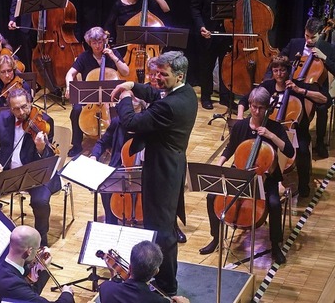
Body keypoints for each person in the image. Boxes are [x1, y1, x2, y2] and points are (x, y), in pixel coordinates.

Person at [111, 51, 197, 295]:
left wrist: (126, 97)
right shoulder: (186, 91)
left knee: (162, 231)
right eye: (156, 73)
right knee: (162, 227)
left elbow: (131, 123)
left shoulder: (170, 106)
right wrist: (133, 84)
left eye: (163, 74)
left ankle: (167, 286)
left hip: (163, 172)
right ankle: (163, 279)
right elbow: (155, 92)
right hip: (170, 165)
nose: (157, 78)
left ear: (178, 75)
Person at [90, 62, 187, 243]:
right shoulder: (118, 123)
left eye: (135, 104)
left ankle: (172, 225)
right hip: (122, 168)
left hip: (147, 168)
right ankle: (111, 225)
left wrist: (127, 96)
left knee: (165, 199)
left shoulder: (150, 119)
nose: (132, 106)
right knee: (106, 187)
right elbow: (103, 142)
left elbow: (134, 122)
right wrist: (94, 155)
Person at [200, 87, 296, 264]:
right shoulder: (241, 126)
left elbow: (289, 152)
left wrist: (271, 136)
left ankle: (275, 245)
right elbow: (230, 147)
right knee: (212, 196)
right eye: (253, 106)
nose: (256, 111)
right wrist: (219, 163)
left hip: (266, 178)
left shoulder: (274, 128)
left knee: (274, 204)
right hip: (239, 173)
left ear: (267, 108)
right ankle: (216, 238)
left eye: (260, 107)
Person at [0, 88, 59, 246]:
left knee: (40, 201)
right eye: (16, 109)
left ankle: (41, 240)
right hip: (9, 172)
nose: (21, 112)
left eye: (24, 107)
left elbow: (49, 158)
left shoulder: (45, 121)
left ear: (30, 102)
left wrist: (41, 148)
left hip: (36, 172)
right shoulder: (3, 118)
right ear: (10, 108)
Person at [237, 57, 328, 198]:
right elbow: (244, 100)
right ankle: (262, 183)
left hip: (295, 131)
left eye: (282, 70)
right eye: (275, 70)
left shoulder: (296, 86)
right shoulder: (267, 86)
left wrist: (301, 91)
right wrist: (239, 117)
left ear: (288, 70)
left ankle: (303, 185)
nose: (279, 74)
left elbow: (325, 99)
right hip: (270, 129)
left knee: (302, 150)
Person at [191, 0, 260, 110]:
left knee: (228, 65)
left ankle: (226, 97)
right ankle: (206, 97)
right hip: (209, 30)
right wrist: (201, 26)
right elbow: (194, 8)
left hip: (231, 29)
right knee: (206, 65)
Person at [274, 17, 335, 158]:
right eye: (306, 36)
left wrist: (324, 58)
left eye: (312, 37)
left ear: (320, 34)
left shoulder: (328, 48)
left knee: (321, 107)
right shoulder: (295, 43)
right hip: (293, 82)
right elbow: (280, 58)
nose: (308, 40)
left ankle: (319, 142)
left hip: (316, 86)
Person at [64, 26, 129, 157]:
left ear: (104, 41)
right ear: (89, 43)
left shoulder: (112, 54)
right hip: (90, 97)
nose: (98, 45)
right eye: (94, 42)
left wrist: (113, 57)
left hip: (111, 97)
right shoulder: (84, 57)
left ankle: (114, 144)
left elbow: (125, 72)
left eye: (100, 41)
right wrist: (69, 86)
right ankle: (77, 145)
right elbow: (69, 74)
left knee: (119, 113)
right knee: (76, 110)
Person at [0, 225, 74, 303]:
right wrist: (67, 294)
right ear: (29, 251)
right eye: (37, 249)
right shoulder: (13, 284)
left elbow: (31, 294)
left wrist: (42, 269)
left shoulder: (0, 269)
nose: (37, 253)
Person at [99, 241, 189, 303]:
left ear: (130, 267)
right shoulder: (158, 301)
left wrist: (112, 272)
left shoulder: (105, 288)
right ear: (156, 272)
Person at [104, 0, 170, 43]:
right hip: (125, 42)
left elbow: (166, 9)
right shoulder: (119, 4)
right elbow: (109, 24)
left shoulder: (145, 1)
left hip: (145, 42)